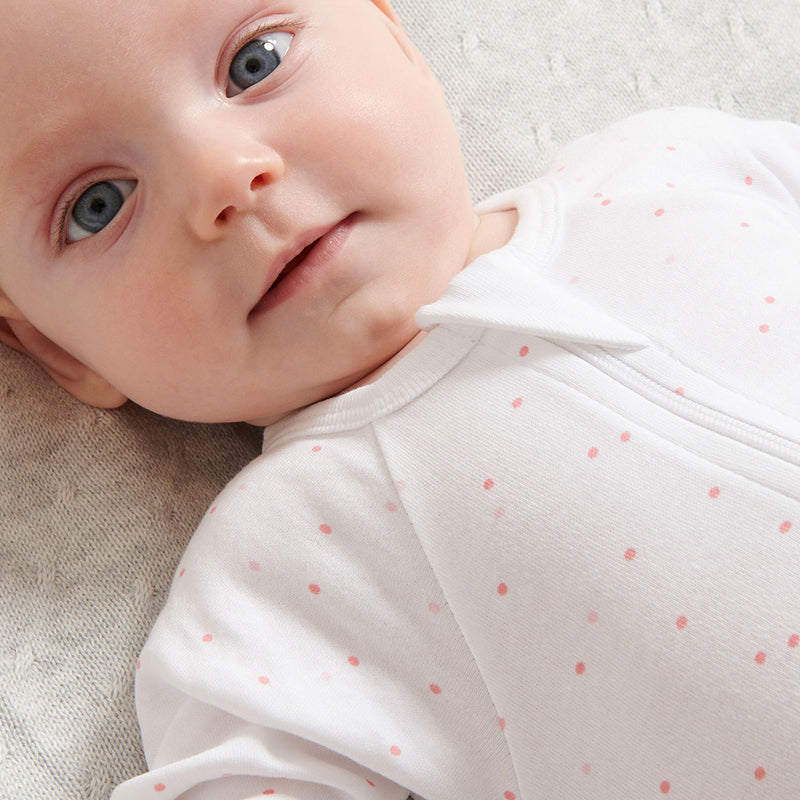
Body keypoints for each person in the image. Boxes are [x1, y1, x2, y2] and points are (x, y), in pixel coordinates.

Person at [0, 0, 798, 797]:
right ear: (58, 348)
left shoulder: (677, 164)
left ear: (393, 32)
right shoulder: (290, 567)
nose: (225, 177)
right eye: (98, 205)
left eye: (255, 62)